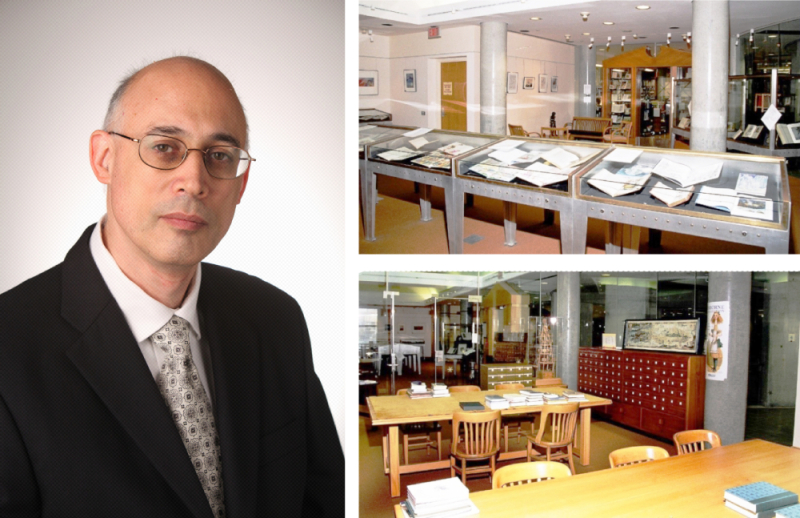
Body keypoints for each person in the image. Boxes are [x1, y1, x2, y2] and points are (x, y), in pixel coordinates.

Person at [0, 57, 344, 518]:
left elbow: (323, 499)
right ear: (104, 157)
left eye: (218, 156)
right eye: (165, 147)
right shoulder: (9, 348)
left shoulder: (276, 319)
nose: (195, 181)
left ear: (241, 183)